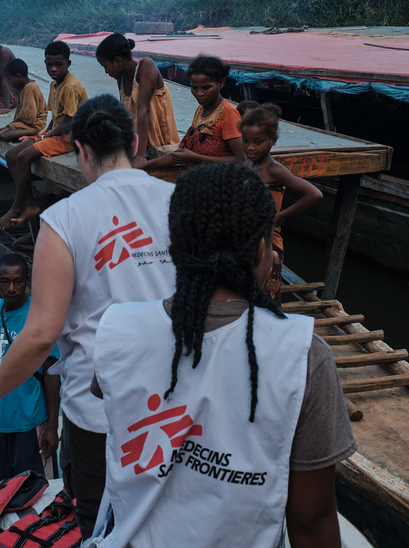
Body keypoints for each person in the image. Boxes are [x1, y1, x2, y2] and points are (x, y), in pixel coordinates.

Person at [87, 163, 356, 548]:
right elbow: (311, 522)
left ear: (176, 246)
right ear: (263, 249)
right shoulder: (303, 356)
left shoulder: (118, 329)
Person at [0, 95, 177, 537]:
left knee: (97, 524)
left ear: (81, 151)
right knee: (164, 519)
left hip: (97, 412)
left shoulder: (64, 219)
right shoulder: (177, 200)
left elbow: (39, 334)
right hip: (174, 401)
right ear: (133, 142)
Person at [0, 254, 62, 480]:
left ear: (27, 280)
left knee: (38, 492)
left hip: (31, 422)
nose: (11, 288)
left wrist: (52, 427)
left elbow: (52, 375)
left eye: (18, 281)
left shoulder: (41, 317)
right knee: (3, 490)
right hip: (1, 422)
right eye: (4, 281)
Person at [0, 41, 88, 230]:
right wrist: (45, 132)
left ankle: (17, 206)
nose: (53, 69)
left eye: (58, 64)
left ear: (68, 63)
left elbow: (69, 123)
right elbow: (55, 117)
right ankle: (30, 204)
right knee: (12, 156)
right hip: (56, 134)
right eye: (49, 64)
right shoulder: (55, 83)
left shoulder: (70, 86)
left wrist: (46, 137)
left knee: (23, 156)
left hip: (69, 138)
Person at [240, 103, 322, 303]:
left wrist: (280, 215)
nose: (250, 147)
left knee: (265, 298)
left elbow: (314, 194)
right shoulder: (246, 163)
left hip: (268, 240)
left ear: (273, 141)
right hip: (245, 236)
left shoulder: (274, 170)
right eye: (245, 141)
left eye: (257, 142)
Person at [142, 55, 245, 169]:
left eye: (206, 88)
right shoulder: (200, 110)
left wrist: (195, 158)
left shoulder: (228, 113)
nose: (199, 93)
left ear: (220, 83)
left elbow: (241, 160)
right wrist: (144, 166)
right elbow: (181, 153)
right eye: (194, 88)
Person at [95, 33, 179, 167]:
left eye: (105, 66)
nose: (106, 71)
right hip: (139, 142)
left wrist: (140, 156)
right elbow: (124, 114)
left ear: (118, 61)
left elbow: (143, 111)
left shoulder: (146, 66)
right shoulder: (121, 78)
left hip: (159, 144)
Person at [0, 58, 46, 143]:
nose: (9, 83)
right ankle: (24, 135)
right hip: (26, 123)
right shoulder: (24, 87)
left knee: (3, 135)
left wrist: (13, 124)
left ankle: (37, 131)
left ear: (18, 77)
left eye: (9, 80)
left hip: (34, 124)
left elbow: (28, 116)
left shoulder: (29, 88)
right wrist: (11, 125)